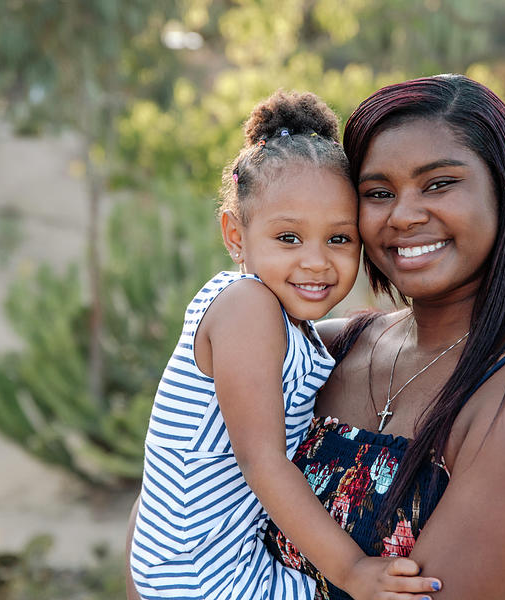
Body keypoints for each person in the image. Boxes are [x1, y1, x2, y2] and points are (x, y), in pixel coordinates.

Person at [127, 75, 505, 600]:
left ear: (504, 190)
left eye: (439, 183)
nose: (404, 214)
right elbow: (167, 505)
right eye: (378, 193)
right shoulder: (320, 348)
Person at [129, 91, 442, 600]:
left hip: (208, 560)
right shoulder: (247, 308)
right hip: (205, 574)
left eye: (339, 240)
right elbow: (262, 461)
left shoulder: (278, 318)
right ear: (236, 234)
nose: (316, 262)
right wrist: (353, 571)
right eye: (288, 239)